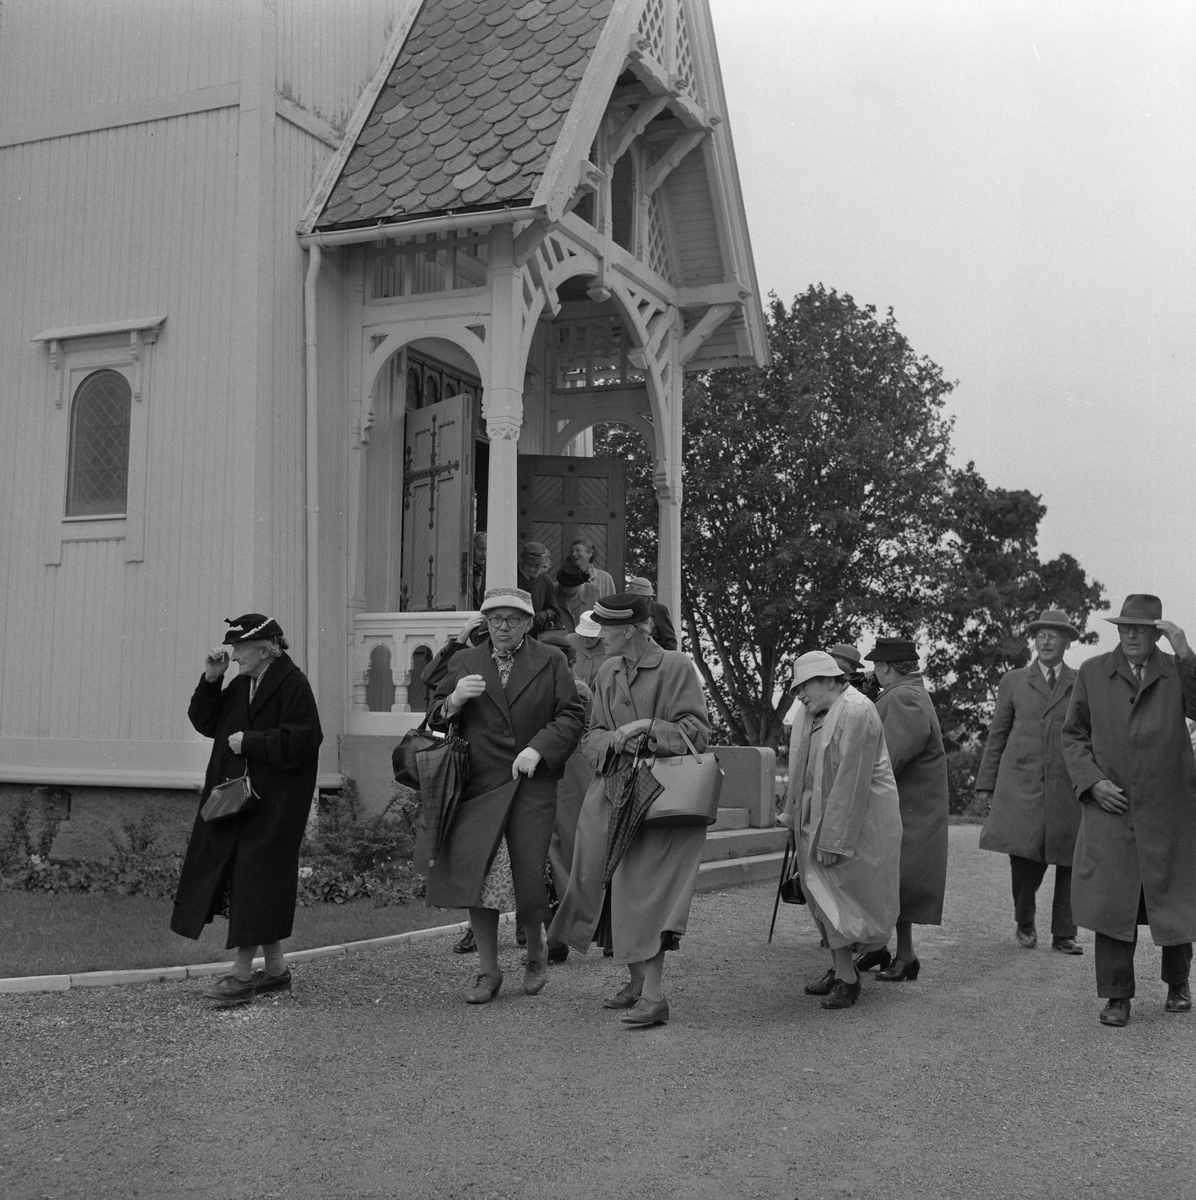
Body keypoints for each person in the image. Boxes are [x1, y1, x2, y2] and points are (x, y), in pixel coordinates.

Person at [548, 593, 712, 1026]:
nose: (597, 635)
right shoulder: (607, 669)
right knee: (607, 884)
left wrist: (648, 729)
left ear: (629, 630)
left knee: (646, 894)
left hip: (662, 799)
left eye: (604, 627)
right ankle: (637, 983)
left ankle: (655, 998)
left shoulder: (676, 666)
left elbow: (697, 730)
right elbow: (593, 733)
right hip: (611, 792)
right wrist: (612, 740)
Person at [429, 587, 584, 1003]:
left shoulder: (550, 660)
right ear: (485, 622)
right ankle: (487, 971)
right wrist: (452, 702)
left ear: (528, 623)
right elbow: (433, 713)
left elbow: (571, 714)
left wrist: (539, 748)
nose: (502, 626)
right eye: (494, 619)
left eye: (512, 619)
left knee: (526, 871)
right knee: (477, 875)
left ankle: (536, 955)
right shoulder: (465, 660)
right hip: (478, 786)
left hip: (530, 783)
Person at [172, 614, 323, 1005]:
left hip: (276, 804)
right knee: (253, 879)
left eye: (239, 649)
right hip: (237, 798)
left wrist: (251, 743)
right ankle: (275, 970)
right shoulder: (243, 683)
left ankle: (240, 975)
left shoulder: (293, 684)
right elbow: (207, 722)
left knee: (256, 879)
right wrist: (211, 679)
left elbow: (304, 741)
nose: (234, 655)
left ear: (265, 647)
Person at [1060, 594, 1196, 1027]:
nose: (1132, 635)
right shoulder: (1093, 672)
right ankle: (1117, 996)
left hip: (1168, 806)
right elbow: (1073, 736)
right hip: (1111, 806)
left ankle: (1178, 983)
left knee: (1173, 898)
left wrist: (1187, 653)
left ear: (1158, 632)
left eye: (1141, 627)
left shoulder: (1177, 671)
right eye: (1125, 627)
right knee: (1112, 903)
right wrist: (1092, 781)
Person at [780, 651, 902, 1010]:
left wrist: (834, 837)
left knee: (844, 898)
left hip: (855, 824)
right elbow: (804, 771)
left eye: (805, 685)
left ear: (831, 680)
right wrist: (792, 816)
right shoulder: (813, 713)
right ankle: (841, 969)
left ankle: (848, 978)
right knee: (822, 896)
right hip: (817, 819)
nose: (798, 694)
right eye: (796, 687)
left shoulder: (857, 710)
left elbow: (851, 781)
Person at [975, 609, 1083, 954]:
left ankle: (1064, 933)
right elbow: (997, 735)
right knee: (1024, 860)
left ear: (1066, 642)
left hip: (1068, 786)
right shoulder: (1015, 680)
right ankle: (1025, 921)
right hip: (1022, 785)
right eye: (1040, 635)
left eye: (1054, 635)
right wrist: (985, 785)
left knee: (1070, 859)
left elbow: (1090, 734)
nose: (1046, 641)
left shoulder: (1081, 682)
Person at [858, 638, 949, 982]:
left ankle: (903, 955)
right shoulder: (906, 693)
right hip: (910, 808)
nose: (873, 670)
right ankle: (891, 952)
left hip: (908, 810)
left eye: (877, 664)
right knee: (895, 884)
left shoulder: (904, 697)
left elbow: (889, 759)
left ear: (888, 667)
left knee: (898, 885)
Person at [518, 541, 567, 633]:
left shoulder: (545, 580)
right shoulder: (511, 576)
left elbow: (555, 612)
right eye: (529, 565)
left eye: (537, 566)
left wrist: (545, 614)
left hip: (535, 637)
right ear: (523, 561)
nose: (533, 569)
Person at [624, 576, 678, 651]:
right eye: (631, 596)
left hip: (655, 658)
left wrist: (666, 661)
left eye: (639, 597)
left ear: (647, 597)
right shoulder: (625, 608)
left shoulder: (659, 610)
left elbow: (670, 642)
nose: (634, 600)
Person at [566, 609, 612, 688]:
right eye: (582, 636)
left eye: (591, 637)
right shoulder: (569, 641)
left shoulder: (610, 647)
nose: (586, 641)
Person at [470, 532, 487, 610]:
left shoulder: (491, 572)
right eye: (481, 549)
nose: (484, 554)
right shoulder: (465, 572)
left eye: (487, 549)